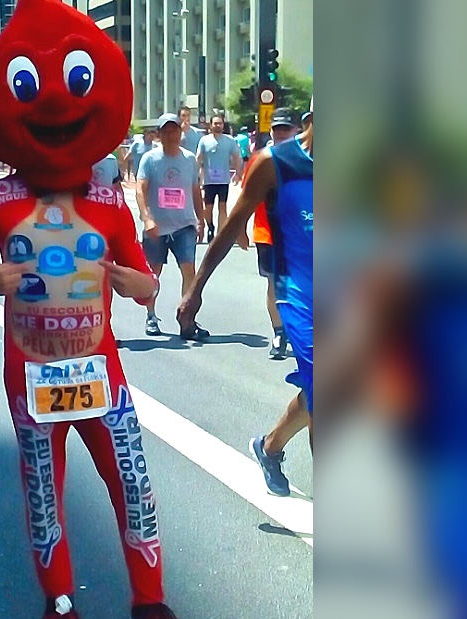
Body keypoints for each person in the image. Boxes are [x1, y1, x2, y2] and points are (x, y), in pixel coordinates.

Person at [0, 1, 178, 616]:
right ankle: (60, 601)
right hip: (30, 377)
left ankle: (149, 600)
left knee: (132, 484)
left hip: (103, 375)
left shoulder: (111, 203)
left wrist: (137, 284)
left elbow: (147, 284)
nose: (53, 102)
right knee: (44, 492)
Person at [178, 100, 313, 497]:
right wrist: (196, 287)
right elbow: (233, 223)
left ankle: (270, 447)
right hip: (298, 295)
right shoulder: (275, 163)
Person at [136, 113, 207, 340]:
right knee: (153, 273)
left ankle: (187, 319)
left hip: (184, 225)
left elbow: (195, 191)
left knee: (189, 272)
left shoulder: (189, 159)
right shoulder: (150, 159)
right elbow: (140, 189)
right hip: (157, 227)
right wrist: (147, 218)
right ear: (159, 134)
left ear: (180, 132)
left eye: (174, 130)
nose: (170, 135)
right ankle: (151, 315)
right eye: (165, 131)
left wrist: (201, 219)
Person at [248, 108, 301, 361]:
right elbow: (247, 197)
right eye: (277, 129)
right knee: (273, 284)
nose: (281, 134)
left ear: (297, 130)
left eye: (286, 129)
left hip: (301, 234)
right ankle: (279, 333)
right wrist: (239, 228)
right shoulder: (261, 159)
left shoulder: (308, 159)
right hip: (267, 234)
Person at [196, 114, 242, 242]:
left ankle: (220, 234)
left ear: (223, 125)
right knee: (208, 208)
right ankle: (210, 226)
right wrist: (196, 175)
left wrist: (238, 173)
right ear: (211, 125)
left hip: (223, 181)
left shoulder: (229, 140)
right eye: (215, 123)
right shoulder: (204, 140)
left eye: (220, 123)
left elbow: (237, 157)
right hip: (209, 181)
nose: (218, 125)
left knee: (222, 207)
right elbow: (198, 158)